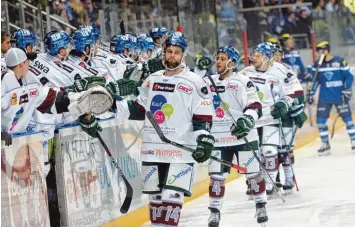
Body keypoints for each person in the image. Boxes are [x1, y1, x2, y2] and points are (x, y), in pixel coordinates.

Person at [115, 31, 215, 227]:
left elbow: (202, 118)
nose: (172, 56)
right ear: (163, 53)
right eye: (169, 51)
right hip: (152, 150)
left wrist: (204, 139)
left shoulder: (195, 82)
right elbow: (138, 109)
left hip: (180, 151)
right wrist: (110, 105)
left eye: (177, 52)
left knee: (171, 200)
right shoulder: (152, 79)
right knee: (156, 204)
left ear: (183, 55)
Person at [204, 46, 266, 226]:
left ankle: (260, 205)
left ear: (232, 62)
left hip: (242, 137)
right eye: (217, 58)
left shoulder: (243, 81)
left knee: (253, 174)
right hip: (217, 138)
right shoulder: (208, 82)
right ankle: (214, 211)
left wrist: (247, 121)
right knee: (216, 177)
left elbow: (255, 105)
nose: (218, 62)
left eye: (223, 58)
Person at [240, 42, 295, 198]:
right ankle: (255, 183)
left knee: (269, 151)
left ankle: (270, 184)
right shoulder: (245, 73)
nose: (253, 58)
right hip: (251, 121)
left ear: (267, 58)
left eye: (258, 55)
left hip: (270, 119)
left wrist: (284, 104)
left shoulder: (279, 72)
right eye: (254, 55)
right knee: (253, 155)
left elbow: (289, 94)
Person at [269, 43, 307, 192]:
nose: (277, 57)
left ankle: (289, 177)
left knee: (285, 149)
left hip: (286, 115)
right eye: (274, 54)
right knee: (270, 149)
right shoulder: (261, 71)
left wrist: (296, 108)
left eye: (278, 54)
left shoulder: (286, 70)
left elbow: (296, 91)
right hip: (269, 116)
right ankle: (274, 178)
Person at [307, 41, 355, 155]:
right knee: (320, 122)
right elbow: (314, 81)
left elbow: (349, 77)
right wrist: (311, 93)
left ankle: (354, 140)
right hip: (325, 98)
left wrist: (346, 89)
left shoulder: (339, 62)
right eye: (318, 52)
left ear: (326, 51)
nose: (319, 54)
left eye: (320, 51)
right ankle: (325, 144)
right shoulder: (317, 65)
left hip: (340, 96)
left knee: (348, 120)